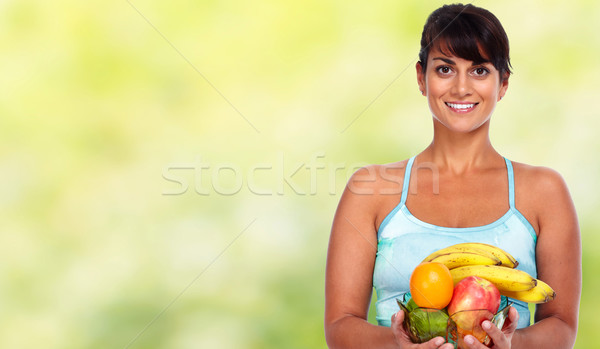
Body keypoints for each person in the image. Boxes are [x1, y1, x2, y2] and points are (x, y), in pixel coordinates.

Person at [324, 3, 581, 349]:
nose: (461, 88)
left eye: (479, 71)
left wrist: (511, 345)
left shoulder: (544, 192)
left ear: (503, 83)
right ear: (421, 77)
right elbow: (340, 326)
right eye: (445, 69)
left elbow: (561, 325)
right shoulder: (369, 190)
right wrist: (396, 345)